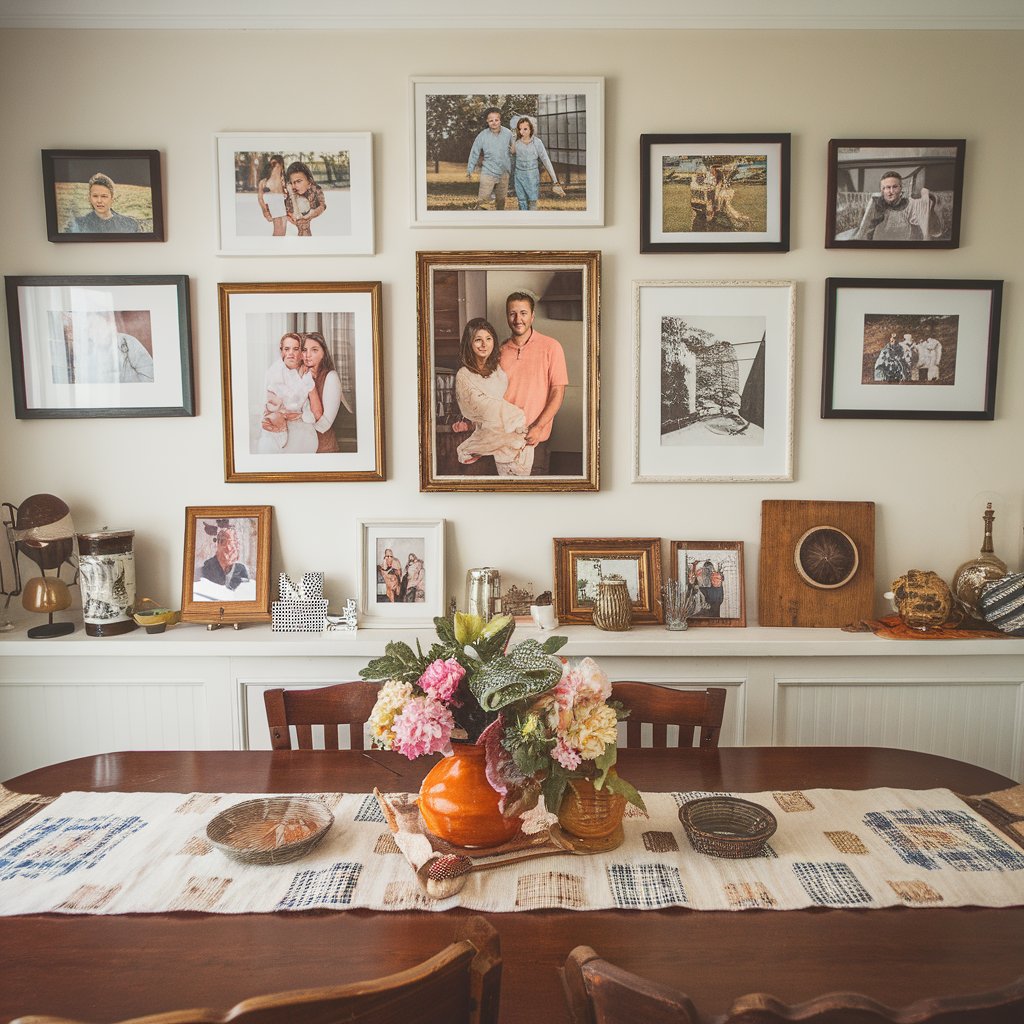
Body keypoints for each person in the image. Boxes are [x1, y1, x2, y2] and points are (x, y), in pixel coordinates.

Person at [451, 317, 533, 476]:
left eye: (488, 339)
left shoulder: (498, 370)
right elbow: (482, 409)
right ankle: (475, 448)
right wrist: (514, 415)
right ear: (469, 343)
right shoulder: (464, 375)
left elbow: (508, 397)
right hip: (500, 436)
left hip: (516, 439)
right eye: (478, 340)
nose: (484, 344)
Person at [498, 292, 568, 476]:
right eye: (512, 313)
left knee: (534, 499)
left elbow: (557, 393)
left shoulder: (551, 347)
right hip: (503, 439)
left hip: (534, 440)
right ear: (507, 316)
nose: (518, 319)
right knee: (505, 498)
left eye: (523, 313)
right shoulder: (499, 351)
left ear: (532, 316)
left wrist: (538, 427)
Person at [257, 332, 313, 452]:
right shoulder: (275, 372)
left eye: (296, 349)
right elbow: (292, 402)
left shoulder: (305, 371)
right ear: (282, 351)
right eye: (287, 349)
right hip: (277, 423)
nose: (291, 353)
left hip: (298, 425)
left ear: (301, 352)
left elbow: (303, 397)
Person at [64, 310, 154, 384]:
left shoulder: (126, 341)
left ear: (108, 323)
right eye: (89, 328)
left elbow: (149, 375)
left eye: (97, 324)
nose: (94, 331)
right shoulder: (87, 351)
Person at [854, 170, 941, 242]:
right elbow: (864, 232)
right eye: (887, 187)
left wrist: (929, 206)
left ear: (900, 188)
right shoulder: (875, 203)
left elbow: (935, 231)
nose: (891, 191)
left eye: (894, 187)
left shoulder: (910, 204)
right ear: (882, 190)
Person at [509, 115, 562, 211]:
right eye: (520, 129)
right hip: (519, 176)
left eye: (525, 129)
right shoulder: (517, 143)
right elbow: (511, 154)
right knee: (522, 202)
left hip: (532, 176)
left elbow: (546, 160)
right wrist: (513, 139)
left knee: (533, 202)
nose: (522, 132)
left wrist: (555, 181)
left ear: (531, 129)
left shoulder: (537, 142)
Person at [300, 331, 342, 452]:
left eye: (314, 350)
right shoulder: (298, 376)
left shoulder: (331, 377)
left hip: (324, 447)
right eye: (304, 350)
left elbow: (325, 424)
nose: (308, 355)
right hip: (301, 446)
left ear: (323, 353)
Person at [466, 106, 513, 211]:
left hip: (504, 173)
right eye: (491, 120)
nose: (494, 122)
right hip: (488, 172)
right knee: (483, 201)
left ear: (500, 120)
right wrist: (470, 169)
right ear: (487, 121)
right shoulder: (482, 136)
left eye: (496, 120)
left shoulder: (508, 134)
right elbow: (474, 152)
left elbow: (515, 150)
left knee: (501, 201)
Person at [66, 172, 140, 233]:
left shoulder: (129, 225)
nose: (99, 201)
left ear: (112, 199)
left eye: (104, 196)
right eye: (95, 196)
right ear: (89, 198)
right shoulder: (78, 225)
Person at [200, 526, 250, 591]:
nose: (230, 548)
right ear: (218, 544)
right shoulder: (206, 570)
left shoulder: (240, 570)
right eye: (225, 542)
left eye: (235, 543)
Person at [284, 161, 326, 236]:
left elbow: (322, 205)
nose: (294, 186)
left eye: (298, 181)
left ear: (309, 181)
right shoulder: (290, 192)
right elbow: (286, 210)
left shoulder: (315, 190)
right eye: (292, 182)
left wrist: (313, 214)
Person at [256, 156, 288, 237]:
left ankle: (278, 247)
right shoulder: (264, 182)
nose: (274, 167)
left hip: (282, 204)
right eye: (272, 164)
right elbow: (260, 198)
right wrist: (264, 210)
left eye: (276, 164)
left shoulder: (284, 181)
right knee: (278, 229)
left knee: (283, 230)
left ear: (281, 166)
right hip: (273, 203)